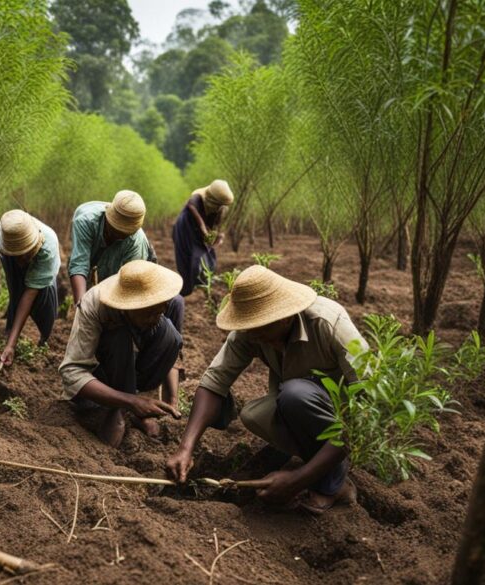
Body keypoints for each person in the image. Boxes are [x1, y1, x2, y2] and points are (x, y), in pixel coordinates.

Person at [166, 265, 364, 514]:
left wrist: (298, 480)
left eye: (260, 328)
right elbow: (214, 384)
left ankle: (333, 486)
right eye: (249, 327)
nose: (254, 335)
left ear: (284, 316)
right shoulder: (252, 331)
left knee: (295, 396)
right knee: (255, 414)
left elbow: (367, 411)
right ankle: (312, 459)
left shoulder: (328, 322)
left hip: (345, 416)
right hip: (300, 406)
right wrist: (185, 449)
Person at [59, 260, 184, 447]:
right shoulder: (94, 304)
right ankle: (118, 409)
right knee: (118, 336)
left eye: (159, 312)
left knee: (171, 336)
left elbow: (173, 355)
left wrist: (172, 401)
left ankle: (135, 407)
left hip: (137, 370)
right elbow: (72, 372)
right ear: (127, 307)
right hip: (103, 370)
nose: (154, 319)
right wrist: (131, 402)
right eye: (148, 313)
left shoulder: (169, 301)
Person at [68, 190, 184, 333]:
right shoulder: (86, 221)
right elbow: (79, 264)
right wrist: (81, 306)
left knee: (137, 310)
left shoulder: (136, 242)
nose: (120, 235)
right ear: (109, 219)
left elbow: (127, 288)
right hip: (97, 260)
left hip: (134, 273)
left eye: (125, 233)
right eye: (116, 230)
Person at [0, 209, 61, 367]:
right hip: (12, 251)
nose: (21, 261)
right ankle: (10, 330)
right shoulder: (7, 232)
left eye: (25, 255)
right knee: (16, 293)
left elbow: (29, 294)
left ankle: (44, 337)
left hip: (41, 262)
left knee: (45, 303)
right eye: (18, 256)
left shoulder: (47, 250)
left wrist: (10, 346)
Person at [173, 180, 233, 297]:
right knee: (188, 257)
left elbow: (215, 227)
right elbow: (198, 218)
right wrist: (204, 231)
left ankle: (201, 286)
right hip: (186, 227)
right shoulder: (196, 199)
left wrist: (217, 237)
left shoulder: (221, 209)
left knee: (206, 257)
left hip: (201, 231)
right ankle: (187, 290)